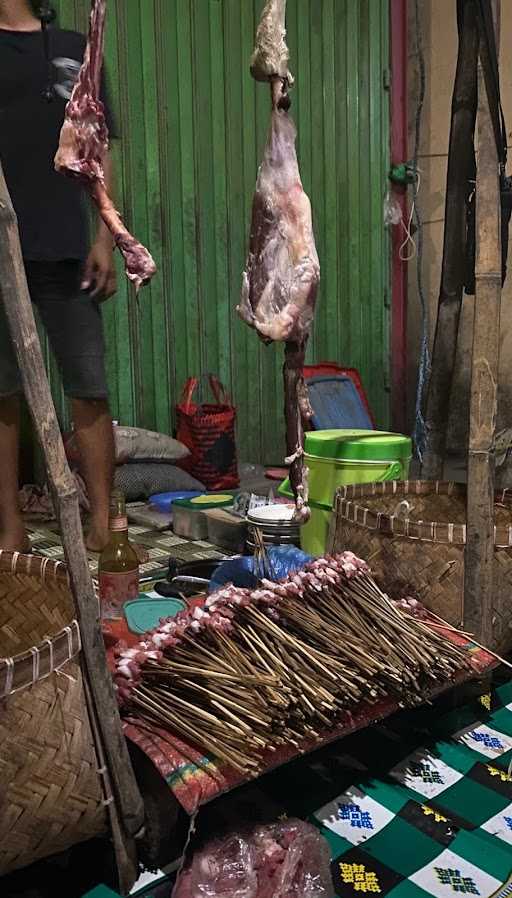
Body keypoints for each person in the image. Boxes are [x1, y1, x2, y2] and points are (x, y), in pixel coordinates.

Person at [0, 0, 117, 553]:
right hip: (1, 248)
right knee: (2, 394)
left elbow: (99, 144)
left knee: (89, 387)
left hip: (69, 246)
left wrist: (105, 235)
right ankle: (12, 530)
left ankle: (101, 522)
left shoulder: (75, 45)